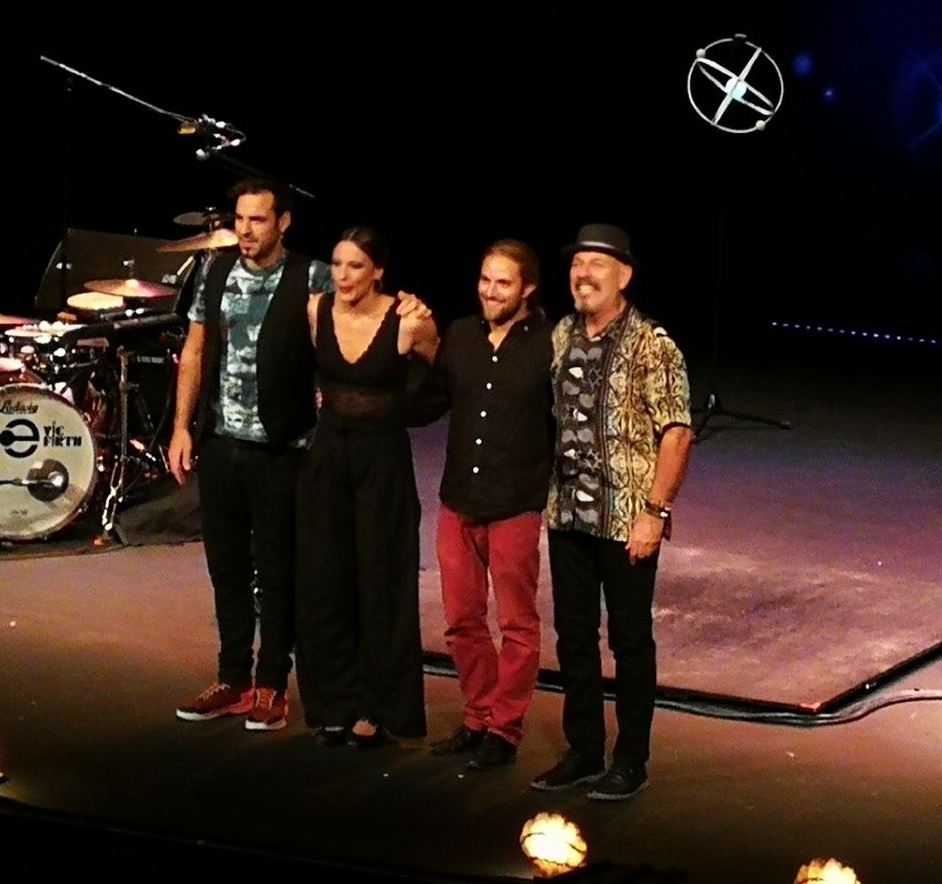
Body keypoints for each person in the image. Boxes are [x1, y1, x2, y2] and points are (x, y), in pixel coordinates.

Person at [530, 223, 692, 801]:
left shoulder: (653, 343)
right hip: (567, 512)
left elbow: (676, 433)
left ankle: (631, 759)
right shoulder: (559, 335)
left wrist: (656, 512)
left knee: (629, 641)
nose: (583, 274)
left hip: (627, 519)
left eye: (596, 265)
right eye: (577, 264)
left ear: (623, 275)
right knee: (573, 636)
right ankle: (582, 750)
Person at [168, 177, 332, 732]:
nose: (244, 230)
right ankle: (232, 676)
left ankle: (271, 684)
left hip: (281, 448)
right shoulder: (214, 272)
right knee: (227, 567)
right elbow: (194, 352)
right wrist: (181, 428)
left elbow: (335, 350)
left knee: (277, 569)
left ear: (283, 222)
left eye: (257, 220)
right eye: (239, 219)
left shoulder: (311, 276)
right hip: (220, 443)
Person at [294, 225, 439, 748]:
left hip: (382, 458)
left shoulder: (407, 320)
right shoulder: (315, 310)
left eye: (356, 266)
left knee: (380, 581)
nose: (344, 276)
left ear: (378, 270)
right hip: (328, 455)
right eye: (337, 265)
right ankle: (334, 701)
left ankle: (379, 708)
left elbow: (443, 376)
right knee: (325, 578)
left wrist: (405, 411)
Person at [414, 239, 554, 770]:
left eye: (503, 283)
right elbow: (429, 402)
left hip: (515, 502)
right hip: (459, 501)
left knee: (517, 625)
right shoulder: (463, 336)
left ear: (527, 290)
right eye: (485, 279)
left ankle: (505, 728)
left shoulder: (547, 344)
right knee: (461, 620)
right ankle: (477, 717)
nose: (490, 291)